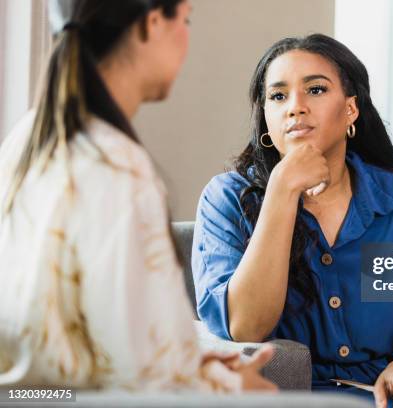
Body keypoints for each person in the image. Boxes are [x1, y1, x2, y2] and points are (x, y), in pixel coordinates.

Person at [192, 34, 393, 408]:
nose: (295, 107)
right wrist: (282, 191)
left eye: (316, 90)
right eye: (278, 96)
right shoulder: (226, 199)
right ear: (266, 119)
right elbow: (245, 326)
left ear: (351, 109)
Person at [0, 0, 276, 392]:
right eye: (185, 20)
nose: (187, 38)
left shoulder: (30, 137)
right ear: (150, 23)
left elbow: (105, 329)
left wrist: (195, 363)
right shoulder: (117, 167)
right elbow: (144, 376)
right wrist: (228, 387)